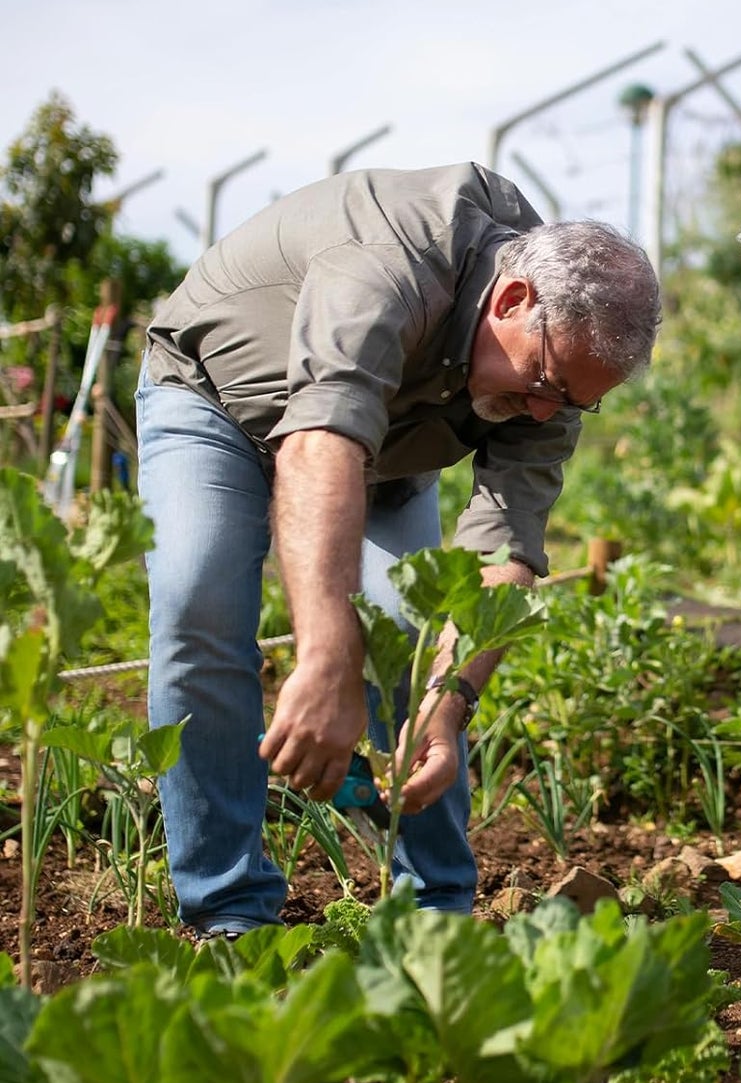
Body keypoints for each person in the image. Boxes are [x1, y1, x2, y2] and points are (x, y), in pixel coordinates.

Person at [138, 162, 660, 936]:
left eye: (574, 400)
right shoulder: (389, 258)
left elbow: (504, 554)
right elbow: (319, 445)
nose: (548, 409)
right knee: (199, 599)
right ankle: (230, 913)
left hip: (384, 449)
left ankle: (434, 916)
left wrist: (446, 711)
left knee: (415, 636)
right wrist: (325, 659)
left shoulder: (552, 380)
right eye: (546, 379)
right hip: (218, 399)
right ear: (510, 300)